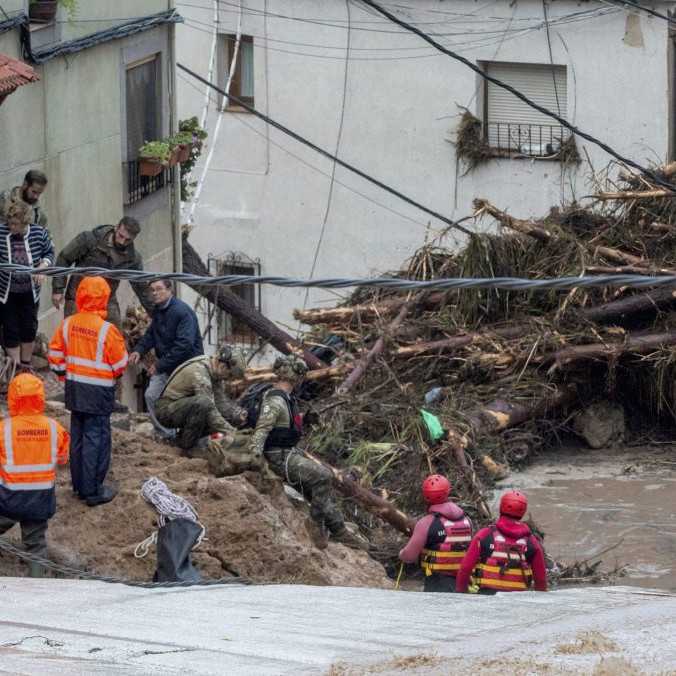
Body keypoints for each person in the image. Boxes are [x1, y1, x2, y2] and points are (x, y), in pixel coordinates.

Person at [248, 354, 369, 551]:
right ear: (295, 376)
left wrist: (304, 419)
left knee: (319, 489)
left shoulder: (285, 398)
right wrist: (255, 460)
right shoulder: (275, 401)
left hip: (288, 452)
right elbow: (262, 430)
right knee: (323, 476)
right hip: (278, 457)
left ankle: (339, 529)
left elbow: (282, 424)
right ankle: (315, 526)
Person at [47, 276, 128, 507]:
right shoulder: (107, 330)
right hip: (99, 391)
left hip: (74, 388)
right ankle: (92, 491)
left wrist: (64, 375)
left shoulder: (68, 323)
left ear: (80, 295)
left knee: (79, 437)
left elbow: (54, 355)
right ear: (104, 297)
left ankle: (79, 486)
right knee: (97, 439)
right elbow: (120, 363)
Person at [0, 373, 69, 576]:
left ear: (12, 398)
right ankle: (37, 585)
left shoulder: (4, 429)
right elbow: (63, 459)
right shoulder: (54, 428)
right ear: (40, 397)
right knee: (36, 545)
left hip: (8, 499)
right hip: (40, 499)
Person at [128, 280, 203, 438]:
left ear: (170, 290)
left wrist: (159, 365)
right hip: (167, 366)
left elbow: (185, 344)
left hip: (186, 367)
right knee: (151, 395)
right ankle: (167, 435)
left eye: (159, 289)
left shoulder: (182, 312)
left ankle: (191, 439)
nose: (155, 293)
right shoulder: (158, 310)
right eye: (152, 290)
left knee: (186, 403)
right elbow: (151, 335)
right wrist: (139, 351)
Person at [51, 217, 148, 327]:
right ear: (116, 228)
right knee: (76, 336)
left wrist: (156, 313)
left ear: (134, 239)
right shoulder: (89, 240)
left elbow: (141, 287)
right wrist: (58, 289)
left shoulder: (132, 258)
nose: (122, 242)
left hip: (107, 301)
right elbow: (64, 258)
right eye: (121, 236)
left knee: (115, 336)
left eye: (128, 240)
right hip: (78, 298)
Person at [154, 345, 248, 453]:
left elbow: (221, 404)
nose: (228, 379)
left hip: (181, 408)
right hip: (165, 410)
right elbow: (209, 409)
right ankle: (186, 447)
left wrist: (238, 415)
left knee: (226, 415)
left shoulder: (215, 373)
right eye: (230, 374)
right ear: (222, 365)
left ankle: (180, 441)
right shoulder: (200, 371)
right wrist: (232, 432)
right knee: (204, 404)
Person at [456, 490, 548, 593]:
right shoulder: (532, 542)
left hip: (485, 600)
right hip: (518, 602)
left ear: (501, 507)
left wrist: (461, 593)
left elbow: (465, 569)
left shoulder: (484, 535)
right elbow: (541, 580)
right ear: (523, 511)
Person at [0, 199, 55, 372]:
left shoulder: (39, 233)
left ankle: (25, 365)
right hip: (6, 293)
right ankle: (15, 368)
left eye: (15, 224)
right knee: (11, 329)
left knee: (29, 328)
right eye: (10, 223)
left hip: (30, 293)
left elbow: (50, 252)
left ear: (25, 223)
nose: (12, 227)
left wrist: (42, 267)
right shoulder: (1, 232)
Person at [398, 474, 473, 592]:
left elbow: (409, 556)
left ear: (425, 496)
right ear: (448, 491)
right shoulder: (467, 520)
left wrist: (401, 554)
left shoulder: (426, 523)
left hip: (436, 583)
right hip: (462, 583)